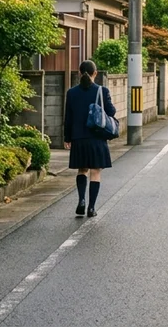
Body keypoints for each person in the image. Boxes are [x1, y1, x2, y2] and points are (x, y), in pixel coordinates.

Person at [63, 60, 116, 217]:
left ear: (79, 73)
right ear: (95, 73)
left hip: (78, 138)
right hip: (96, 138)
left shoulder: (71, 93)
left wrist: (67, 138)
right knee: (95, 172)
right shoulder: (102, 91)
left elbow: (68, 118)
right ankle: (91, 208)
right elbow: (111, 112)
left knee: (82, 170)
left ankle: (81, 200)